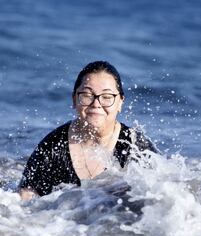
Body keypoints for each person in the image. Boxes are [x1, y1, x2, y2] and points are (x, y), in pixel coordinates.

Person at [18, 61, 157, 200]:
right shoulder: (53, 146)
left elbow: (161, 198)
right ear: (74, 99)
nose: (96, 104)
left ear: (120, 102)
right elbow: (25, 201)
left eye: (107, 97)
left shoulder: (136, 146)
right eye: (87, 95)